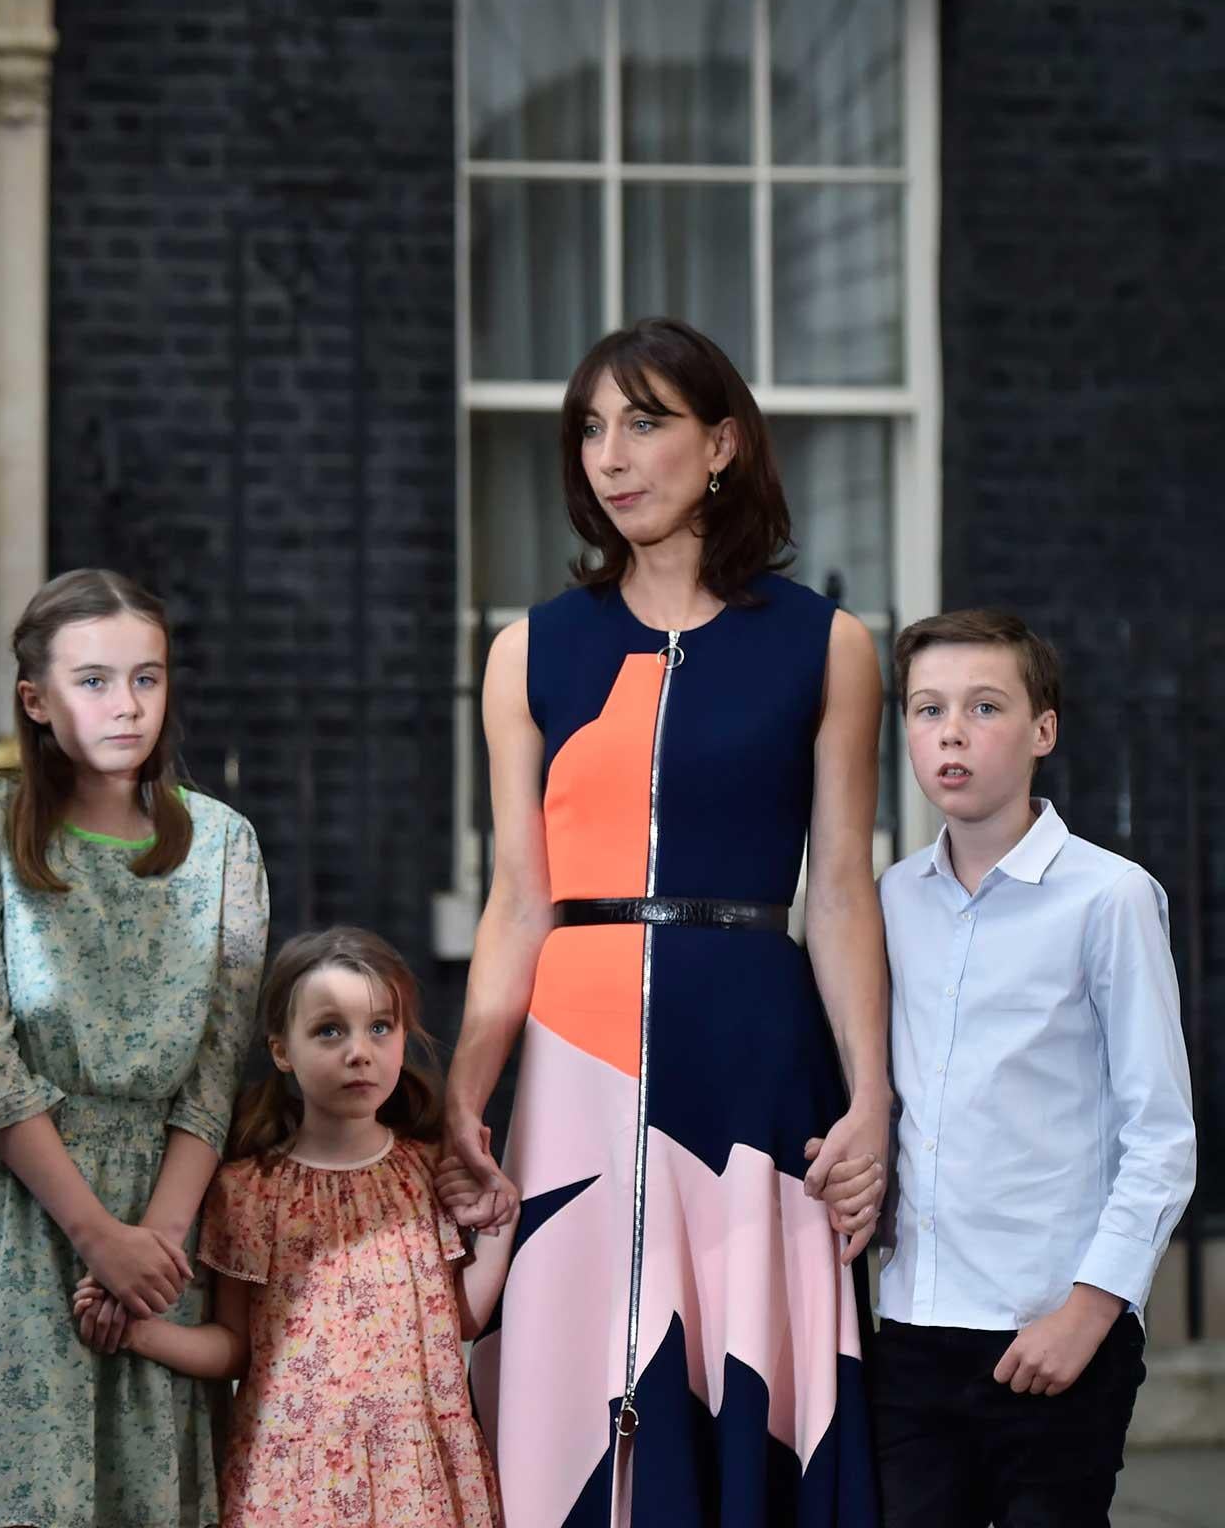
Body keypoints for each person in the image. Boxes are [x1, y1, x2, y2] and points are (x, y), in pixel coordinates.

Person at [436, 317, 884, 1523]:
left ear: (722, 443)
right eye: (590, 428)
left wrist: (871, 1098)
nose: (610, 455)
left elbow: (838, 888)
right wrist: (465, 1096)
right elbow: (516, 898)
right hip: (576, 1063)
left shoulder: (826, 647)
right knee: (571, 1387)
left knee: (729, 1385)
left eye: (645, 422)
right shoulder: (527, 651)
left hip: (749, 1060)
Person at [818, 610, 1195, 1527]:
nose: (951, 731)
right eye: (926, 708)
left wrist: (1091, 1311)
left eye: (985, 707)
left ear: (1042, 729)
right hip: (913, 1331)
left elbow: (1161, 1136)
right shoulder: (886, 904)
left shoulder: (1110, 899)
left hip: (1053, 1327)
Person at [0, 568, 269, 1528]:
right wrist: (93, 1236)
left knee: (153, 1489)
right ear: (36, 699)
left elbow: (213, 1073)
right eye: (95, 680)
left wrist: (151, 1244)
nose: (128, 705)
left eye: (147, 679)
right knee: (34, 1493)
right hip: (25, 1206)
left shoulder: (224, 845)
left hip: (164, 1208)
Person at [74, 925, 507, 1528]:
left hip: (419, 1481)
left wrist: (500, 1214)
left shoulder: (428, 1173)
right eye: (329, 1030)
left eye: (380, 1027)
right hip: (291, 1483)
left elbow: (461, 1318)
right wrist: (137, 1334)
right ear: (282, 1050)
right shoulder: (248, 1191)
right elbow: (236, 1348)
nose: (359, 1051)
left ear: (403, 1038)